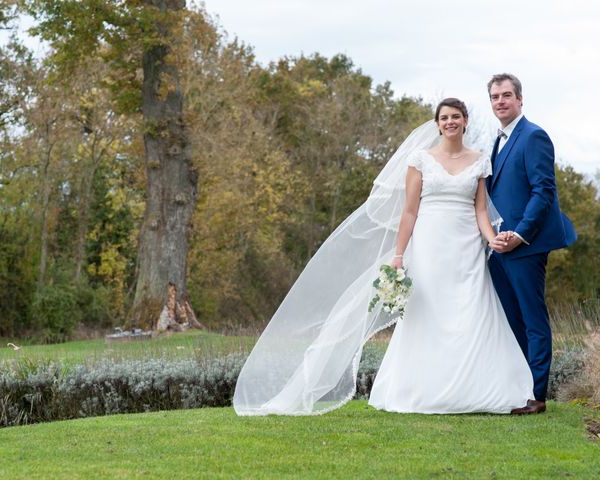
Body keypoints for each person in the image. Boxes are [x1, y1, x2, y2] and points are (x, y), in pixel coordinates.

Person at [233, 99, 533, 417]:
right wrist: (399, 255)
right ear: (437, 124)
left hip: (468, 248)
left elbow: (481, 210)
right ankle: (422, 390)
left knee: (471, 311)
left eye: (456, 117)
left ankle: (477, 390)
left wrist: (492, 239)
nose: (450, 122)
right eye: (444, 118)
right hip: (429, 246)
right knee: (428, 314)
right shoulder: (421, 160)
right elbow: (409, 211)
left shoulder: (479, 161)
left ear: (465, 121)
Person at [485, 74, 577, 415]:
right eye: (495, 97)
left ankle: (536, 396)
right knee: (511, 320)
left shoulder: (533, 136)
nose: (500, 101)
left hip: (526, 246)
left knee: (532, 319)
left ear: (520, 100)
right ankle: (517, 388)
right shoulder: (497, 141)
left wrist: (520, 234)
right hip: (498, 248)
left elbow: (543, 191)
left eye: (506, 95)